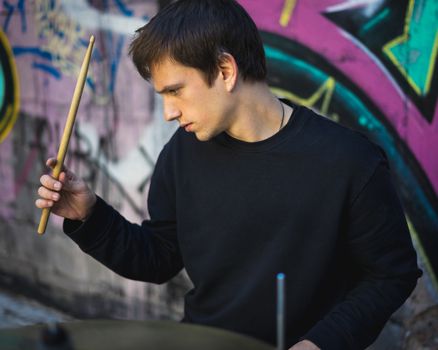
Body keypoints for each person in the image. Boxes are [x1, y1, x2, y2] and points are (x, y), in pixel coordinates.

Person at [35, 0, 422, 349]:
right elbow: (159, 258)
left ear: (225, 70)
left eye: (176, 91)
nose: (169, 112)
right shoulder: (182, 153)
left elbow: (391, 275)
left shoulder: (350, 161)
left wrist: (322, 343)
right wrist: (90, 216)